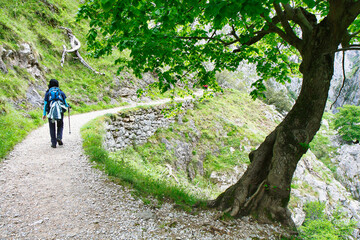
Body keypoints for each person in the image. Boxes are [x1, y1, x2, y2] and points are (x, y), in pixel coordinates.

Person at [42, 79, 69, 148]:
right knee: (60, 125)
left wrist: (44, 114)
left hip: (50, 112)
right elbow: (65, 103)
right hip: (59, 112)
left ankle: (53, 143)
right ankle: (59, 137)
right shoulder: (61, 92)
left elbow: (45, 104)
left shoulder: (48, 93)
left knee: (52, 126)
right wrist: (68, 106)